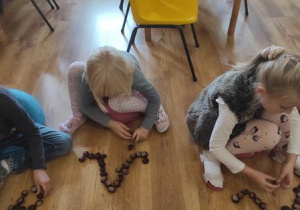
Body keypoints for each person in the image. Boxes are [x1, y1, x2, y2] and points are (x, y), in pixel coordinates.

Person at [185, 46, 300, 192]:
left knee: (286, 118)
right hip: (208, 128)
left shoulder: (271, 86)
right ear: (261, 92)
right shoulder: (233, 100)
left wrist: (291, 160)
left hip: (247, 112)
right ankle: (208, 155)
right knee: (271, 136)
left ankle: (282, 151)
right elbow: (216, 146)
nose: (291, 111)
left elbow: (295, 118)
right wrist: (254, 174)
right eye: (284, 106)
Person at [59, 46, 169, 142]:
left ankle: (155, 108)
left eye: (109, 91)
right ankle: (78, 116)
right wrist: (110, 123)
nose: (106, 94)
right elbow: (85, 105)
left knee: (116, 102)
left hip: (130, 88)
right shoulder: (89, 76)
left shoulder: (133, 75)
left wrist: (145, 127)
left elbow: (154, 98)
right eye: (102, 92)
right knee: (74, 68)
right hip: (105, 75)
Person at [0, 86, 72, 196]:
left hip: (17, 133)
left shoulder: (3, 99)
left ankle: (8, 164)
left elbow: (31, 132)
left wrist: (39, 168)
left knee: (64, 143)